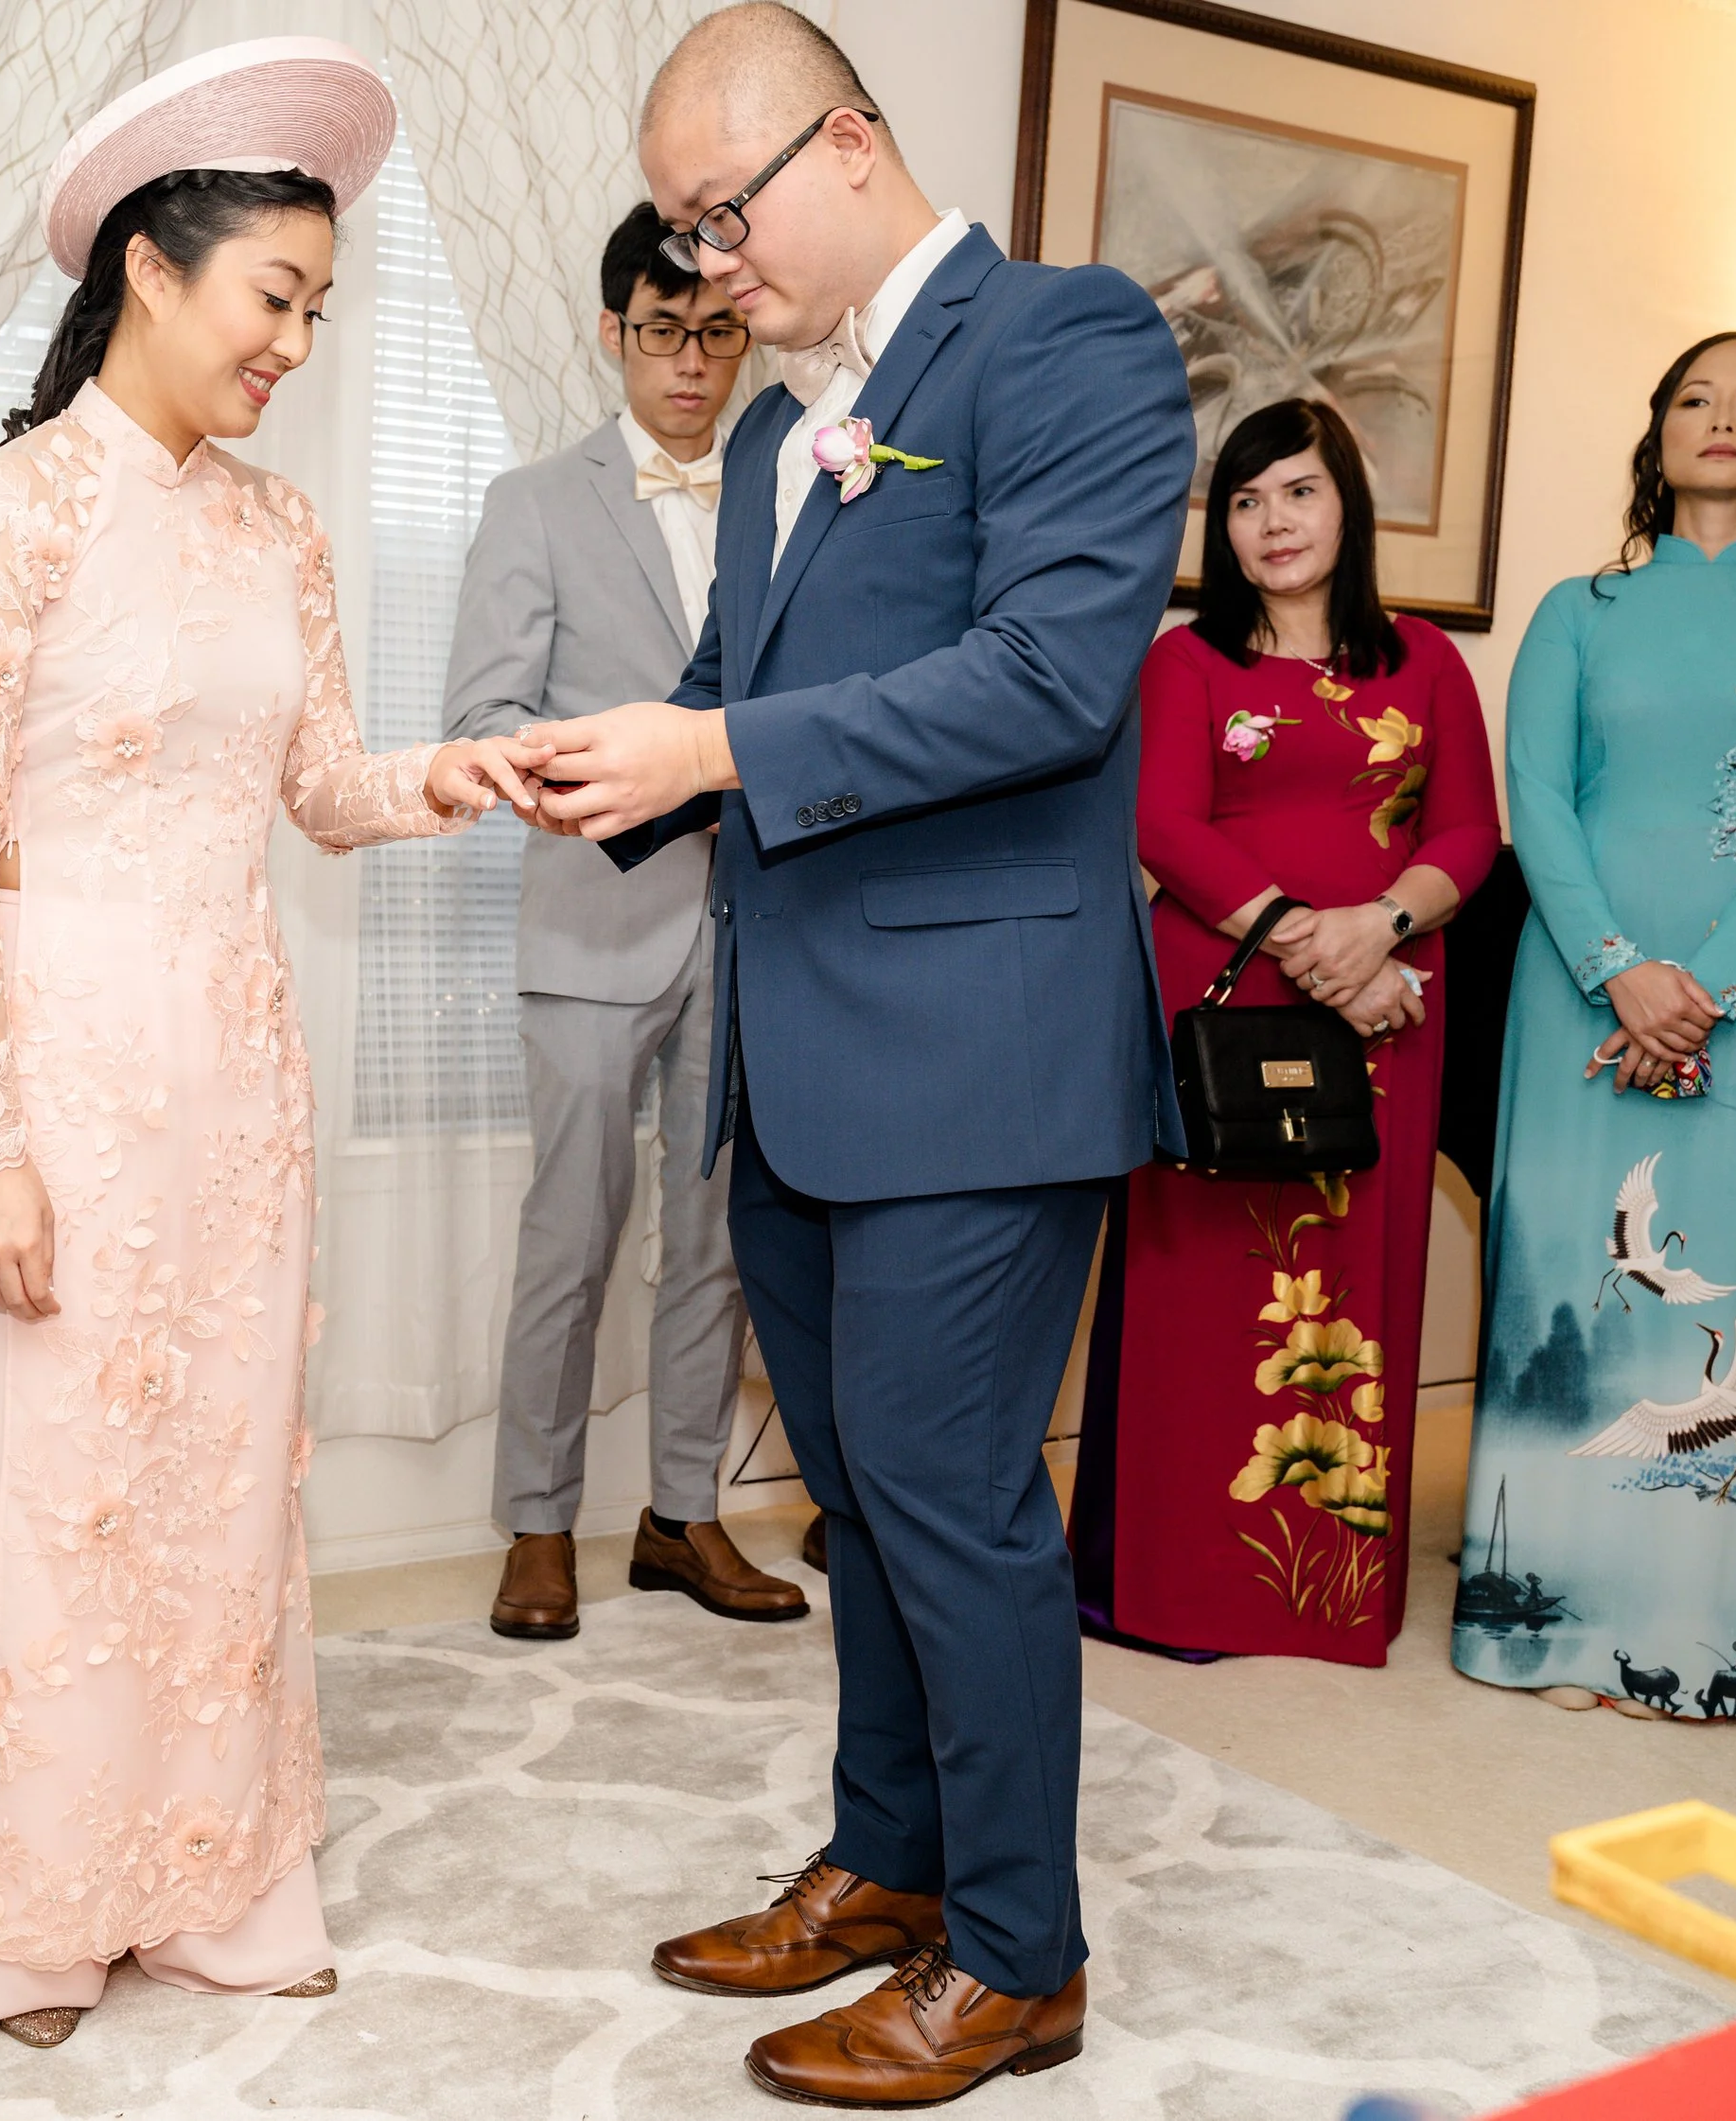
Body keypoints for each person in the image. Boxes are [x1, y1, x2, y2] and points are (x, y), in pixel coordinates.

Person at [522, 6, 1195, 2103]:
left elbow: (1047, 678)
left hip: (979, 1058)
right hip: (798, 1062)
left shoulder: (1068, 340)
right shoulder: (770, 437)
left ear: (845, 142)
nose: (705, 271)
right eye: (680, 238)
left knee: (950, 1498)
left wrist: (712, 746)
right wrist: (558, 766)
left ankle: (1017, 1955)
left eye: (716, 220)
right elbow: (721, 697)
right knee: (865, 1503)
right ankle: (893, 1860)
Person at [0, 40, 550, 2048]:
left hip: (239, 1069)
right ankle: (34, 1912)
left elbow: (320, 787)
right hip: (58, 1064)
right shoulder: (5, 516)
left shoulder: (283, 531)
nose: (295, 345)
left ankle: (207, 1878)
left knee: (217, 1481)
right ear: (149, 271)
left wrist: (455, 772)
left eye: (320, 311)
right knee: (62, 1482)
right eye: (275, 296)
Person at [1068, 398, 1499, 1665]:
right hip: (1226, 997)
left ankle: (1322, 1594)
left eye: (1299, 492)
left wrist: (1382, 926)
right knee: (1200, 1287)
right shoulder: (1188, 664)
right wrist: (1315, 943)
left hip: (1392, 1003)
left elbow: (1466, 830)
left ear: (1348, 504)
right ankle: (1175, 1584)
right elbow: (1164, 825)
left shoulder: (1425, 660)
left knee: (1356, 1281)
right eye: (1247, 501)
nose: (1273, 522)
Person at [445, 203, 807, 1639]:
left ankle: (681, 1514)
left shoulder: (795, 499)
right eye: (663, 334)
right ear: (614, 333)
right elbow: (483, 720)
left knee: (717, 1239)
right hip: (595, 923)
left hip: (758, 922)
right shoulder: (536, 501)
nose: (693, 365)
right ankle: (537, 1523)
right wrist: (625, 786)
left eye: (718, 333)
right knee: (571, 1235)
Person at [1453, 331, 1736, 1719]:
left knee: (1729, 1308)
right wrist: (1621, 973)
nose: (1723, 418)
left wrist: (1705, 987)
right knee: (1572, 1281)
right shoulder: (1577, 610)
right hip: (1576, 998)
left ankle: (1698, 1638)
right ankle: (1543, 1629)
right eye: (1695, 398)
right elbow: (1536, 800)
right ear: (1657, 435)